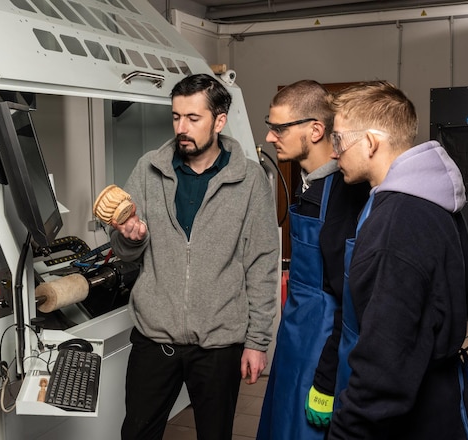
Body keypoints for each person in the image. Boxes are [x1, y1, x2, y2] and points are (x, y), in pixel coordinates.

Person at [109, 73, 280, 440]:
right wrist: (131, 236)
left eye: (193, 118)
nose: (181, 127)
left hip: (219, 343)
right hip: (154, 337)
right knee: (137, 433)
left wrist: (257, 341)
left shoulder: (248, 179)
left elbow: (262, 263)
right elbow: (124, 248)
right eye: (176, 117)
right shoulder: (148, 168)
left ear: (219, 121)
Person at [328, 80, 468, 439]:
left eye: (338, 140)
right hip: (444, 396)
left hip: (420, 417)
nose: (334, 152)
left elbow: (384, 369)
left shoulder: (398, 223)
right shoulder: (431, 198)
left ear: (370, 142)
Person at [256, 80, 370, 440]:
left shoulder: (345, 196)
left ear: (316, 130)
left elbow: (351, 302)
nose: (271, 137)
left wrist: (325, 379)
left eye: (279, 127)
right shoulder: (309, 186)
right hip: (294, 336)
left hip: (321, 346)